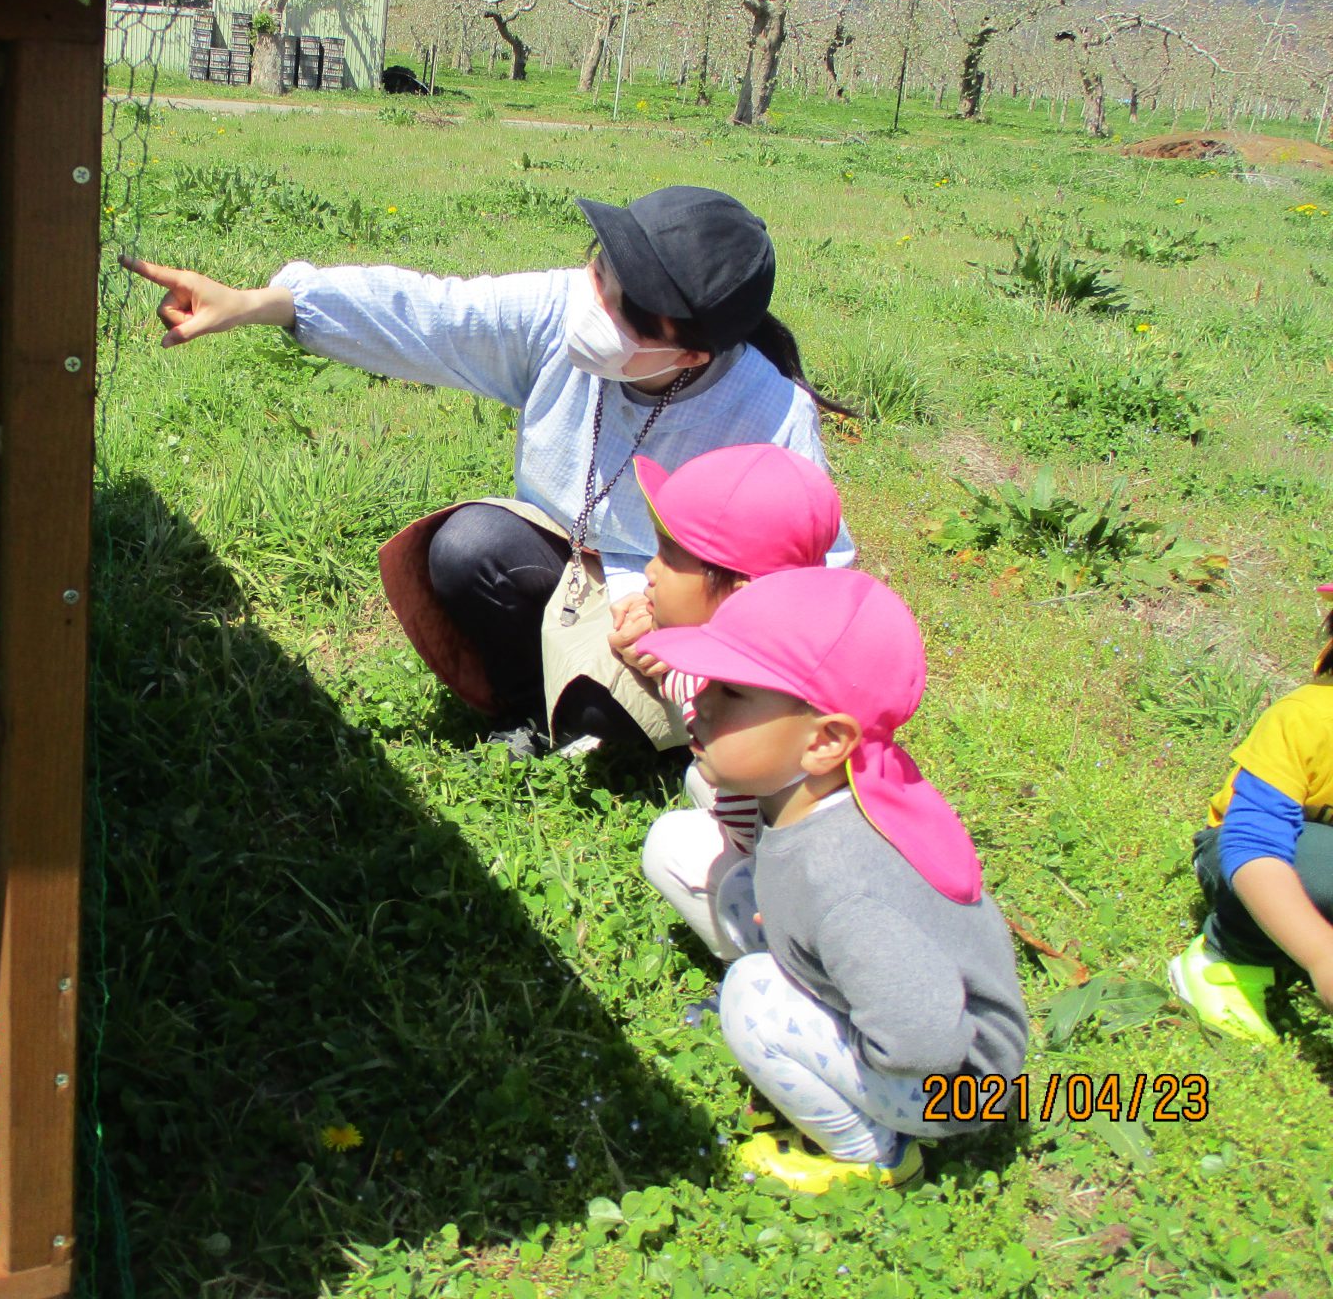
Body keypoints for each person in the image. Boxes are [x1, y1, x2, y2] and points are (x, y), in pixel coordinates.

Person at [122, 185, 854, 756]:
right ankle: (527, 704)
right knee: (469, 548)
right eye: (600, 272)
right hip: (557, 547)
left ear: (690, 355)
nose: (595, 306)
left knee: (605, 718)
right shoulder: (559, 311)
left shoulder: (768, 415)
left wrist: (688, 627)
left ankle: (596, 719)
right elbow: (431, 316)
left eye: (627, 312)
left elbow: (812, 585)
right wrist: (262, 304)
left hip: (668, 599)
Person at [633, 569, 1026, 1193]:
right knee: (732, 884)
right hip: (913, 1014)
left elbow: (927, 1037)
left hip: (956, 1082)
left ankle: (873, 1154)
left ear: (825, 741)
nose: (700, 702)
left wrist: (827, 1010)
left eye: (731, 692)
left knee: (752, 998)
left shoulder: (842, 882)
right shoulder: (823, 790)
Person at [627, 444, 844, 960]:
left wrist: (655, 650)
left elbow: (684, 689)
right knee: (699, 778)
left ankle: (774, 966)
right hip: (826, 847)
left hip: (813, 894)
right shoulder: (809, 648)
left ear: (738, 593)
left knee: (672, 844)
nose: (650, 572)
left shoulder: (735, 697)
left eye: (669, 557)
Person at [1166, 581, 1333, 1044]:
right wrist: (1322, 955)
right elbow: (1254, 846)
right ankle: (1228, 960)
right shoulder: (1307, 719)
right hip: (1252, 858)